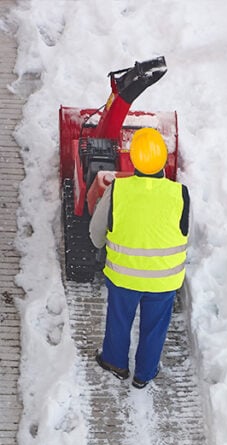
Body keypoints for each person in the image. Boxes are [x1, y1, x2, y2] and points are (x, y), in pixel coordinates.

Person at [89, 126, 190, 389]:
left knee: (119, 320)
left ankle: (115, 362)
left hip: (124, 276)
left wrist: (101, 245)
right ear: (163, 160)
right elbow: (184, 234)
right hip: (164, 280)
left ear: (132, 159)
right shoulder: (180, 194)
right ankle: (144, 373)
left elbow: (96, 232)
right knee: (155, 328)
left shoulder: (118, 190)